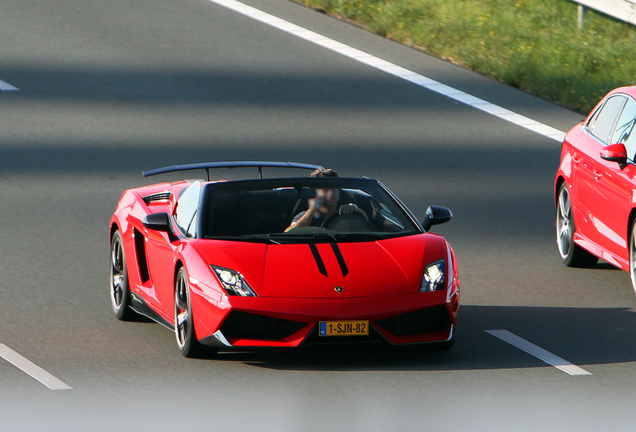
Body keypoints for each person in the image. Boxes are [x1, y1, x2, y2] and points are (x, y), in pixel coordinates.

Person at [285, 168, 364, 231]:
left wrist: (356, 213)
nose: (331, 193)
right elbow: (289, 232)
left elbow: (367, 231)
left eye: (334, 189)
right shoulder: (304, 216)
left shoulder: (347, 213)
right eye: (325, 190)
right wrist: (311, 211)